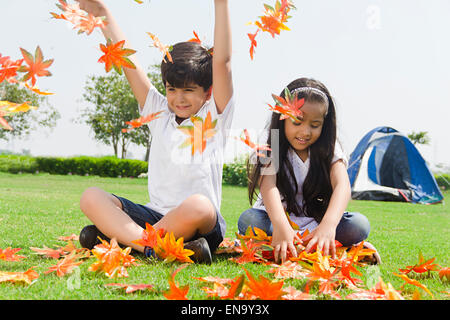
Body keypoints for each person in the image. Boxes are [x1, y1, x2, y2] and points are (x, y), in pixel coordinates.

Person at [75, 0, 234, 264]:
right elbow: (127, 61)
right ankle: (150, 247)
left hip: (200, 222)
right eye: (172, 89)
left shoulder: (215, 114)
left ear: (207, 92)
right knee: (90, 197)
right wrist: (102, 13)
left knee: (200, 205)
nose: (178, 98)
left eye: (188, 90)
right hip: (153, 218)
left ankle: (123, 241)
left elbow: (224, 62)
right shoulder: (158, 112)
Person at [238, 77, 381, 264]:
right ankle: (338, 249)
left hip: (317, 223)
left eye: (314, 125)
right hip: (276, 220)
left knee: (358, 225)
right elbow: (268, 185)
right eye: (297, 121)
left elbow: (342, 186)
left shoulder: (331, 147)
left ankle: (313, 243)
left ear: (324, 124)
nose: (305, 132)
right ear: (282, 118)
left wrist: (328, 226)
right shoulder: (270, 140)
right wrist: (281, 226)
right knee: (250, 219)